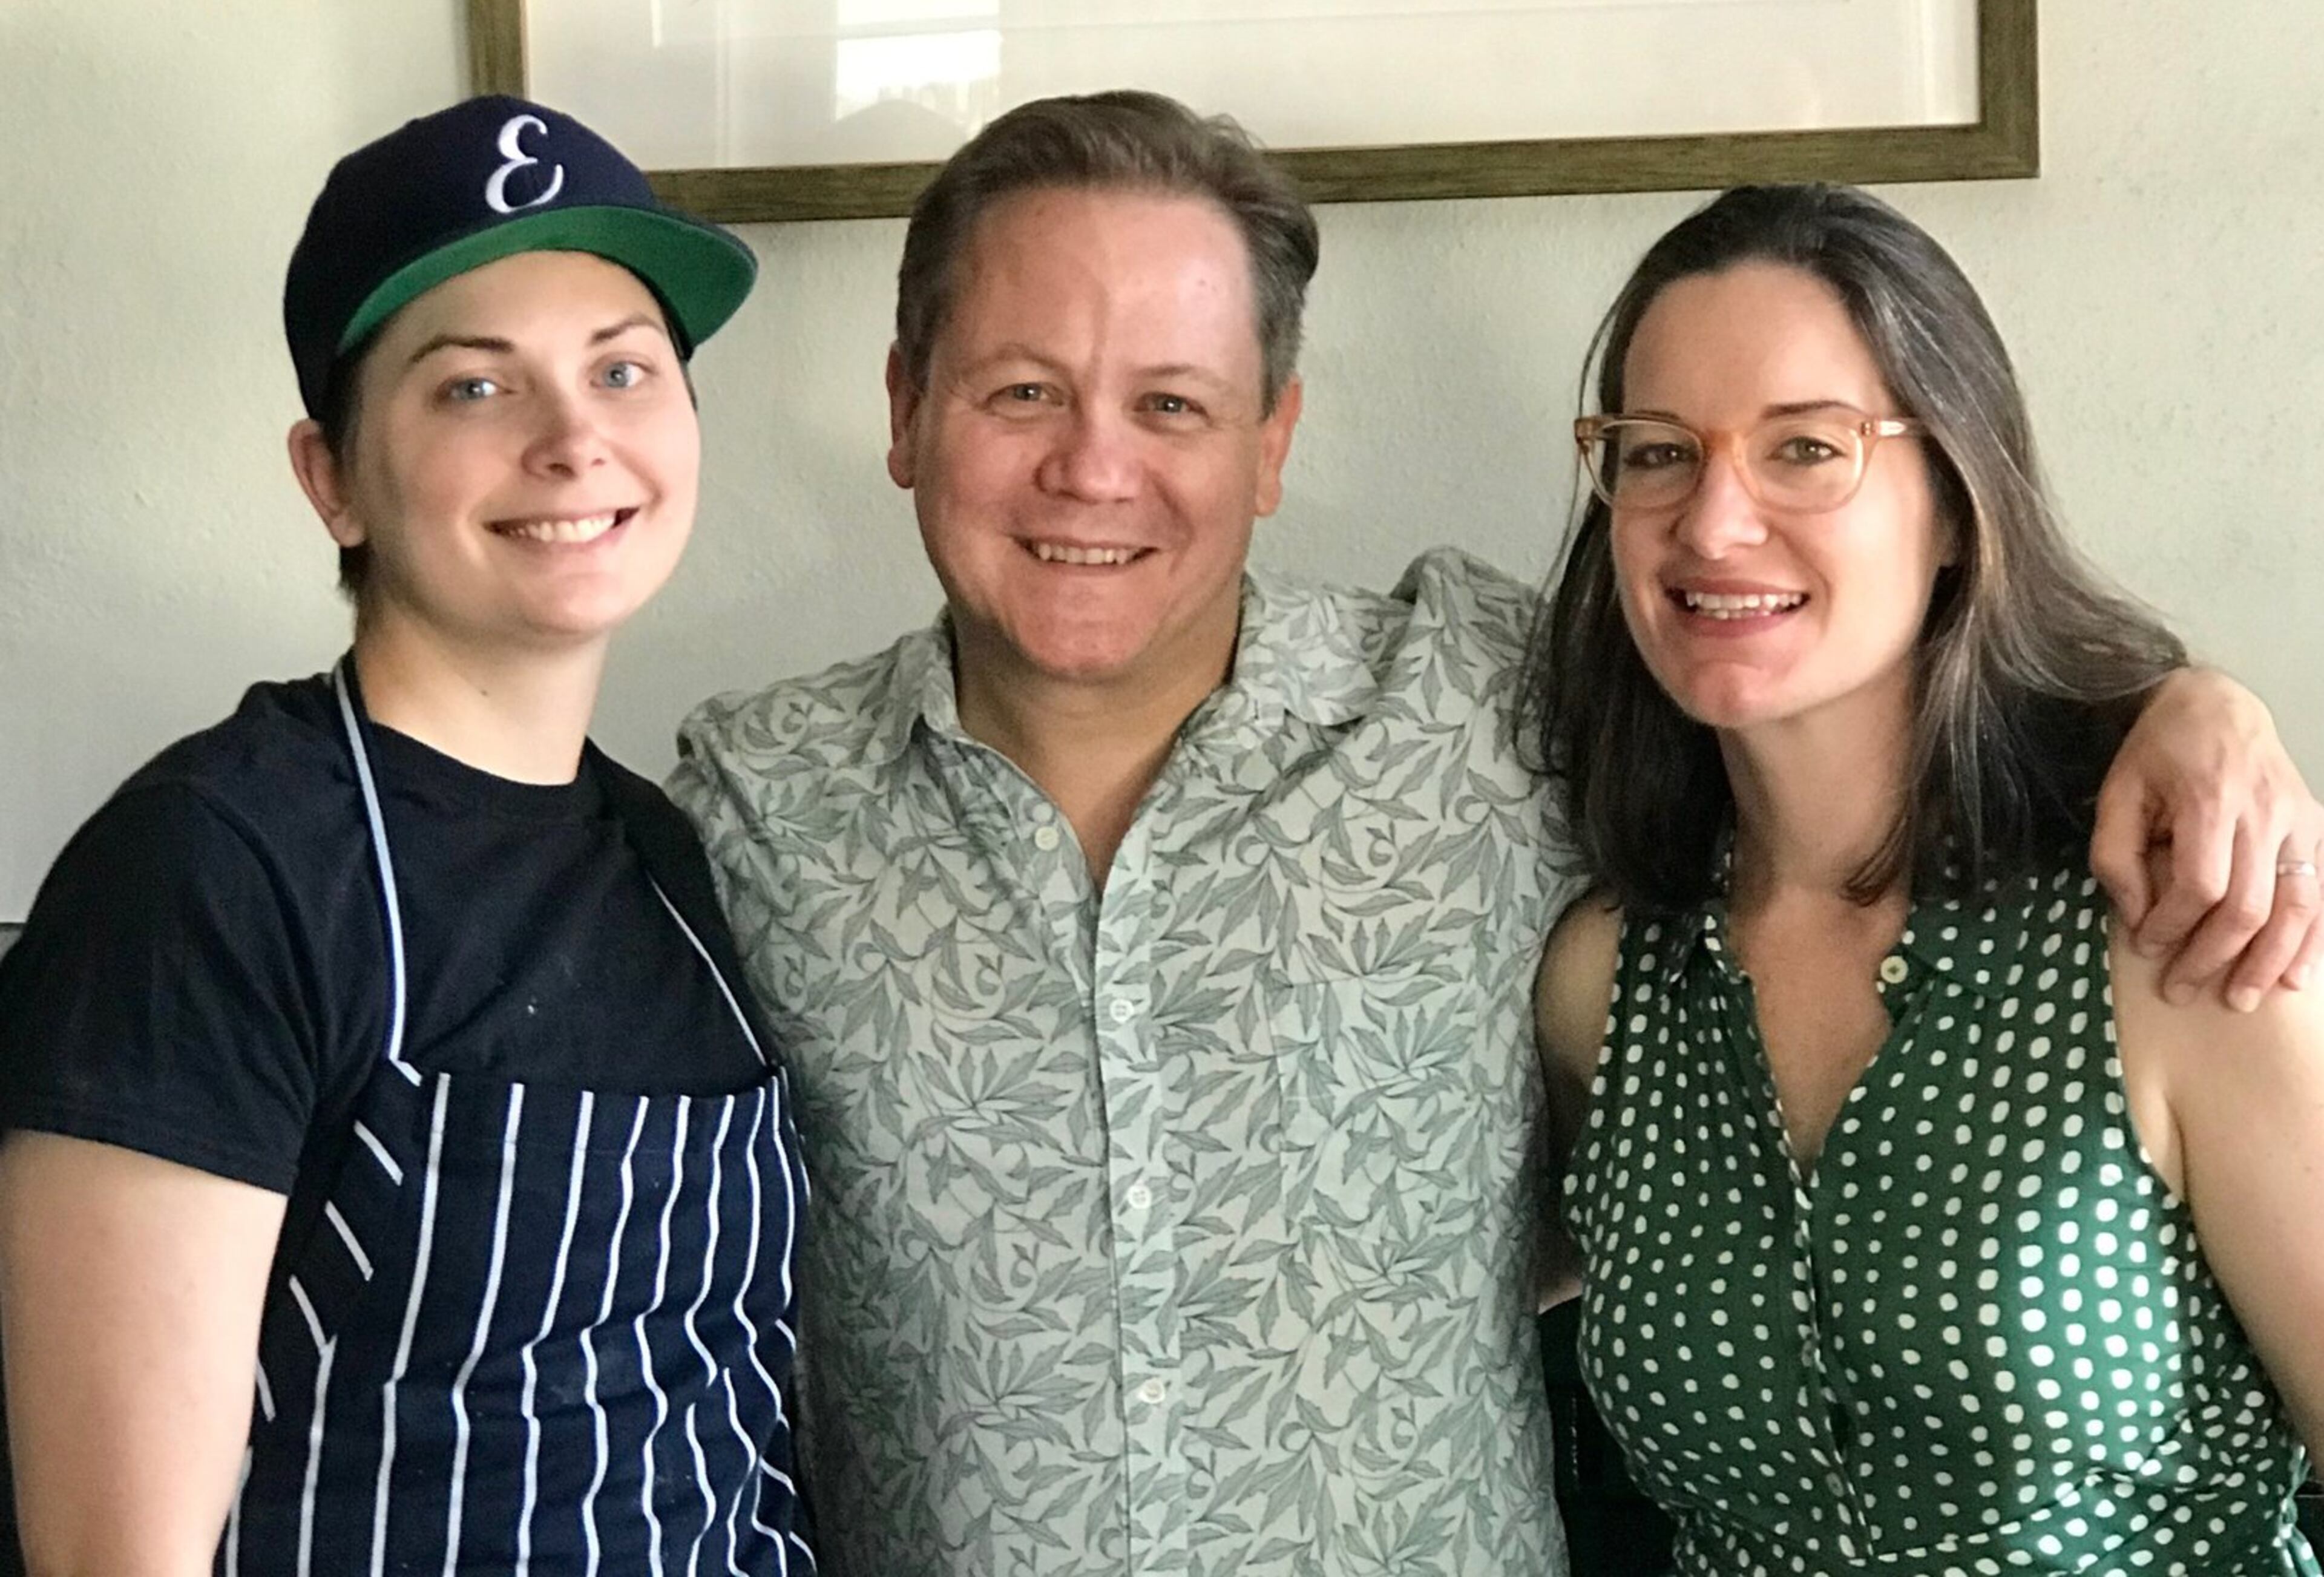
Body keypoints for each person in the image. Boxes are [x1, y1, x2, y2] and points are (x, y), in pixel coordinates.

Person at [671, 91, 2320, 1577]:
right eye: (1022, 389)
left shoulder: (1478, 710)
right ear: (906, 412)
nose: (1094, 467)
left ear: (1274, 444)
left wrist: (2187, 705)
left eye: (1174, 403)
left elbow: (1811, 651)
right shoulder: (748, 815)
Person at [0, 97, 814, 1575]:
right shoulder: (215, 867)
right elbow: (114, 1554)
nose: (576, 441)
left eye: (623, 369)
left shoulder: (674, 856)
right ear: (333, 479)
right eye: (473, 390)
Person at [1532, 183, 2323, 1574]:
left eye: (1805, 449)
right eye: (1658, 453)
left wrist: (2200, 698)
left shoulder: (2173, 934)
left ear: (1956, 502)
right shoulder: (1608, 979)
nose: (1713, 522)